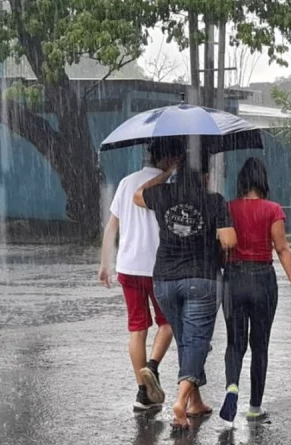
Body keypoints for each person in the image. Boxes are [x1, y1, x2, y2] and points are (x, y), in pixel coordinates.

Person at [133, 141, 236, 432]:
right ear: (204, 174)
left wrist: (167, 173)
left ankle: (195, 402)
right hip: (201, 279)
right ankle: (180, 402)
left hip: (164, 280)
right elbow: (229, 241)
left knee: (187, 340)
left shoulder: (162, 193)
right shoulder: (214, 200)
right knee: (196, 340)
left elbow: (137, 196)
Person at [219, 157, 291, 424]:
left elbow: (221, 248)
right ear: (263, 181)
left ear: (242, 181)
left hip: (233, 280)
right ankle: (254, 408)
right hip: (262, 280)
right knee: (260, 345)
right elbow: (282, 249)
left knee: (235, 342)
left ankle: (232, 385)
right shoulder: (273, 210)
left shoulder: (227, 208)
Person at [98, 143, 178, 411]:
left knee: (137, 329)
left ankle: (143, 394)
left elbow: (112, 227)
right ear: (166, 157)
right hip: (158, 266)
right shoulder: (167, 186)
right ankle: (152, 368)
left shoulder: (126, 182)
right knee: (168, 323)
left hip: (128, 266)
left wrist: (104, 263)